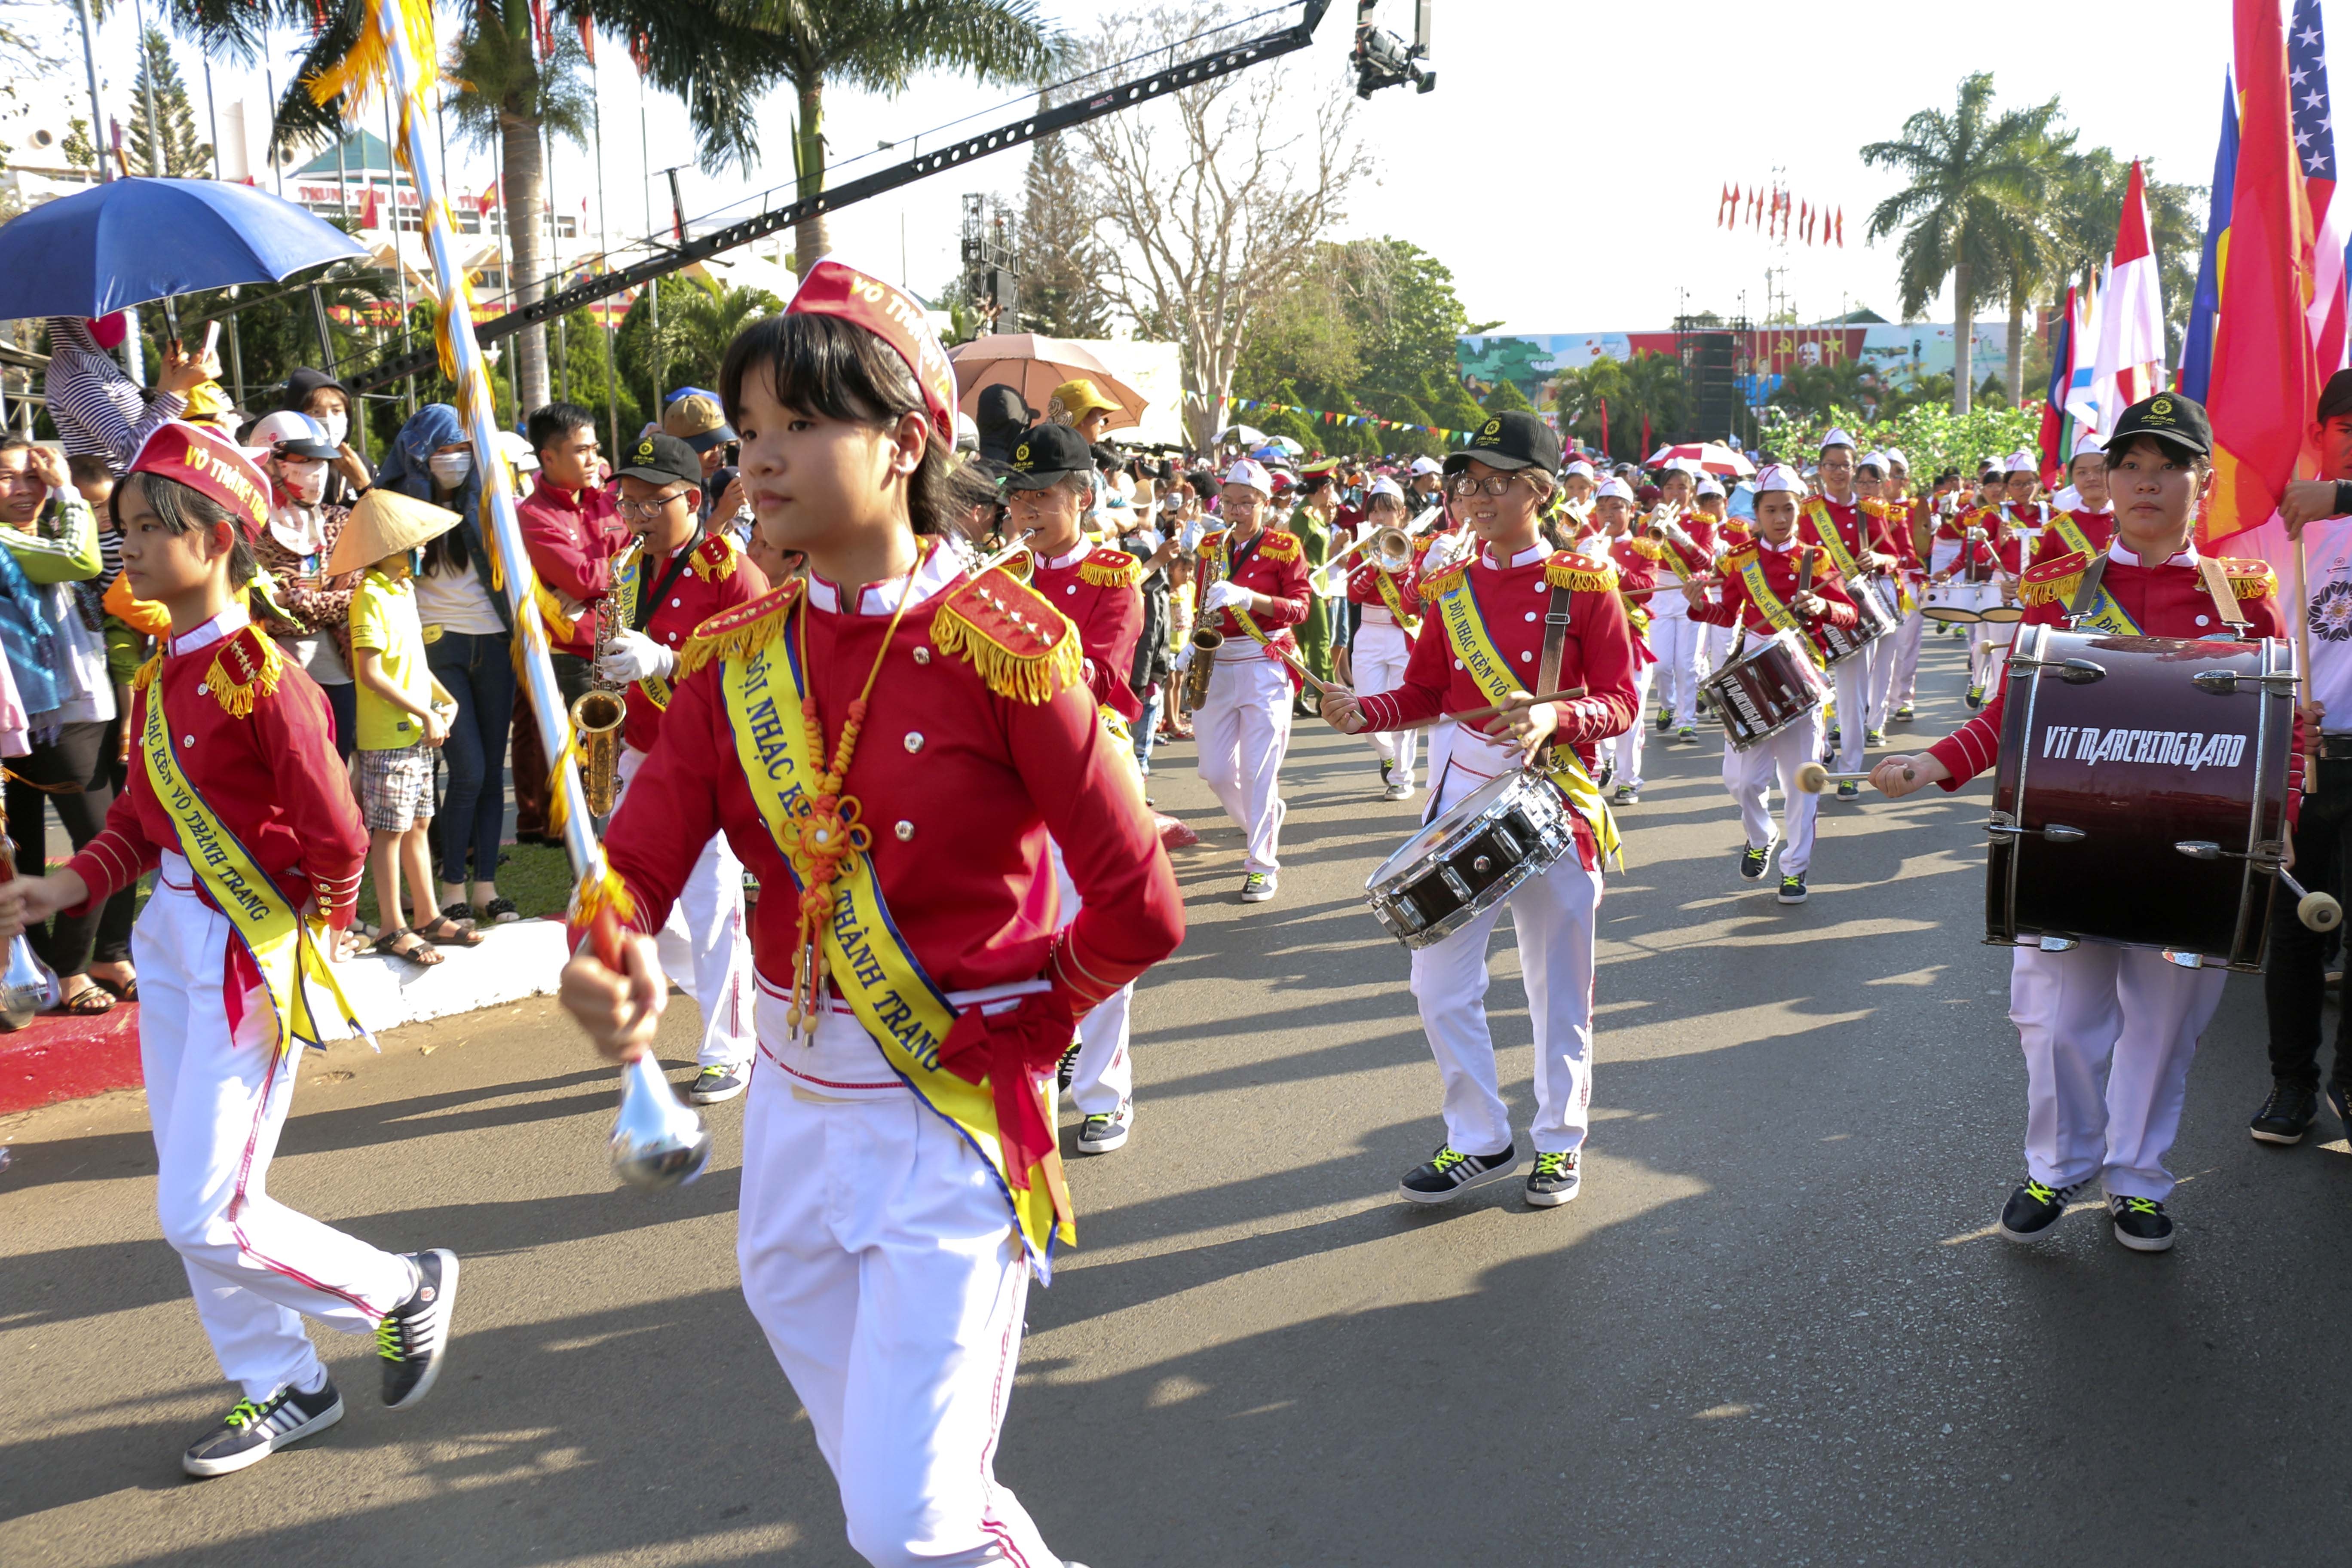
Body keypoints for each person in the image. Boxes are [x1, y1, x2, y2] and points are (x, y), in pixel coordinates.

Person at [557, 260, 1180, 1568]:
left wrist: (1034, 1022)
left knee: (907, 1524)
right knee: (909, 1506)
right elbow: (642, 858)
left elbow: (1140, 906)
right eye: (749, 433)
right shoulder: (738, 660)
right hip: (788, 1117)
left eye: (797, 426)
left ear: (904, 442)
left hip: (948, 1119)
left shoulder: (1002, 644)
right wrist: (603, 945)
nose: (758, 462)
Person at [0, 420, 459, 1476]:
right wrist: (64, 883)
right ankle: (281, 1382)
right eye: (126, 530)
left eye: (153, 529)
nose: (135, 548)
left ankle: (398, 1288)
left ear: (217, 537)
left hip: (245, 952)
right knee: (199, 1195)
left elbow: (341, 835)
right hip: (169, 937)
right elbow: (139, 827)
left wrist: (320, 938)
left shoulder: (266, 678)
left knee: (203, 1210)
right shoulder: (165, 676)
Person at [1873, 392, 2291, 1252]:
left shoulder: (2244, 601)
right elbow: (2007, 716)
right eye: (2131, 467)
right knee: (2057, 1022)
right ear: (2111, 481)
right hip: (2070, 844)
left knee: (2166, 1023)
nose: (2146, 484)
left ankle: (2138, 1177)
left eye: (2168, 468)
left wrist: (2276, 815)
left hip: (2194, 853)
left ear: (2200, 484)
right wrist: (1934, 762)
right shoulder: (2062, 595)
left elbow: (2282, 732)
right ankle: (2060, 1167)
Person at [1319, 410, 1638, 1207]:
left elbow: (1623, 700)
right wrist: (1367, 711)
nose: (1474, 496)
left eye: (1494, 482)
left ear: (1535, 490)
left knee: (1556, 983)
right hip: (1464, 790)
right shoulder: (1448, 584)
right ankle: (1479, 1135)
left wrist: (1554, 716)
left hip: (1554, 795)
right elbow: (1428, 691)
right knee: (1437, 982)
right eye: (1468, 481)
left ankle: (1559, 1139)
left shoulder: (1583, 583)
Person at [594, 428, 765, 1104]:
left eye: (648, 504)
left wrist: (665, 662)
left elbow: (751, 673)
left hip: (713, 758)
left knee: (713, 903)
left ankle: (730, 1048)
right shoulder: (630, 569)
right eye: (627, 505)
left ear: (691, 499)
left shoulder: (732, 570)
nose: (634, 519)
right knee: (638, 903)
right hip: (641, 749)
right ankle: (738, 996)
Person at [1003, 421, 1149, 1155]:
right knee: (1019, 932)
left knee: (1094, 932)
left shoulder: (1112, 574)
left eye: (1044, 497)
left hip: (1088, 762)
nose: (1026, 512)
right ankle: (1030, 1079)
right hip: (1009, 773)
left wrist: (1029, 622)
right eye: (1019, 497)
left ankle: (1102, 1093)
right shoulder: (998, 574)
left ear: (1082, 498)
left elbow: (1108, 676)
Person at [1686, 464, 1860, 905]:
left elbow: (1850, 614)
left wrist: (1823, 604)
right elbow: (1727, 615)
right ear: (1757, 513)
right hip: (1753, 674)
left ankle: (1795, 869)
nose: (1780, 519)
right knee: (1740, 781)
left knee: (1802, 781)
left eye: (1788, 509)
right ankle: (1761, 834)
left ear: (1799, 510)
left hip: (1803, 672)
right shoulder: (1741, 560)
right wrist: (1698, 605)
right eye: (1771, 510)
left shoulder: (1817, 559)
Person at [0, 436, 131, 1011]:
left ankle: (96, 956)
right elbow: (83, 561)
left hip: (79, 708)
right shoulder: (8, 541)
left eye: (34, 475)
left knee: (51, 843)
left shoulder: (40, 537)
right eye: (9, 477)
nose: (25, 487)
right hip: (39, 718)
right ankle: (70, 969)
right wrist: (70, 493)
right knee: (99, 838)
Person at [2256, 370, 2352, 1145]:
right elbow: (2251, 636)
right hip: (2311, 759)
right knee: (2298, 923)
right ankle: (2291, 1083)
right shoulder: (2281, 525)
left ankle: (2349, 1086)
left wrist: (2342, 498)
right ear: (2318, 433)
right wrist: (2286, 708)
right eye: (2346, 428)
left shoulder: (2332, 507)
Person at [379, 406, 518, 925]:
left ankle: (486, 887)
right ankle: (450, 887)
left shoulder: (488, 500)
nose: (455, 460)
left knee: (485, 780)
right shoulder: (396, 505)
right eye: (444, 450)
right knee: (469, 769)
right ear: (419, 454)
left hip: (495, 640)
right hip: (437, 647)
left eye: (464, 449)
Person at [331, 488, 478, 964]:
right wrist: (423, 712)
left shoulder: (402, 590)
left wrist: (441, 700)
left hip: (416, 730)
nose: (419, 549)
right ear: (387, 548)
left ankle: (428, 916)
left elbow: (412, 660)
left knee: (418, 822)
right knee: (389, 830)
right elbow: (370, 672)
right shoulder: (370, 596)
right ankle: (393, 925)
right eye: (410, 543)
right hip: (389, 735)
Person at [1185, 457, 1309, 902]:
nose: (1234, 511)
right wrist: (1189, 645)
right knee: (1215, 770)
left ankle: (1261, 865)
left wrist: (1250, 598)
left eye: (1244, 504)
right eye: (1229, 502)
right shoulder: (1211, 547)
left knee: (1258, 772)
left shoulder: (1285, 547)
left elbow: (1301, 609)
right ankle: (1264, 817)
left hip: (1264, 661)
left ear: (1264, 503)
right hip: (1218, 661)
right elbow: (1203, 602)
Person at [510, 402, 625, 856]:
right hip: (573, 652)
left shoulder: (608, 500)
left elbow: (636, 556)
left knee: (617, 752)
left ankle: (611, 840)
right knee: (588, 754)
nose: (593, 458)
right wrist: (609, 572)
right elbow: (579, 577)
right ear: (548, 457)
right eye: (581, 450)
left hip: (618, 642)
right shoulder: (533, 515)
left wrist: (601, 574)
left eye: (596, 448)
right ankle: (588, 847)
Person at [245, 411, 361, 757]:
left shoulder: (340, 520)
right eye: (303, 459)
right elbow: (252, 601)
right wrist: (315, 602)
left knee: (337, 766)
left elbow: (355, 597)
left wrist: (293, 599)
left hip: (338, 668)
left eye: (321, 460)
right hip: (274, 671)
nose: (316, 470)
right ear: (269, 461)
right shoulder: (249, 530)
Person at [1799, 429, 1896, 796]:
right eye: (1831, 465)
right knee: (1813, 688)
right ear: (1821, 469)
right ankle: (1820, 750)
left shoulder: (1869, 511)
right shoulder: (1807, 511)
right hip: (1814, 612)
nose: (1838, 472)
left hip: (1853, 611)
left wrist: (1880, 558)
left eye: (1845, 466)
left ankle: (1850, 769)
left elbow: (1894, 556)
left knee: (1853, 696)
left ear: (1855, 469)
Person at [1335, 477, 1424, 799]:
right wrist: (1375, 563)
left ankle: (1402, 778)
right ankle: (1387, 754)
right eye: (1373, 511)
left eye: (1386, 511)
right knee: (1365, 711)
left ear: (1401, 514)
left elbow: (1412, 600)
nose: (1378, 518)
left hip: (1404, 635)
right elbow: (1354, 594)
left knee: (1405, 709)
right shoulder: (1362, 550)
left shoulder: (1416, 548)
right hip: (1370, 635)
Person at [43, 315, 214, 473]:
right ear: (70, 317)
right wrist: (179, 389)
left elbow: (141, 426)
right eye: (100, 311)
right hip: (115, 498)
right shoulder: (77, 375)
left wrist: (166, 383)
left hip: (133, 490)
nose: (114, 315)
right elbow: (132, 450)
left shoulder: (92, 359)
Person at [1642, 461, 1719, 745]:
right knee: (1661, 665)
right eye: (1670, 487)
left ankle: (1687, 722)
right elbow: (1643, 559)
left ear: (1693, 490)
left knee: (1687, 664)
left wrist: (1682, 537)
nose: (1676, 494)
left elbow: (1708, 562)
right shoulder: (1647, 520)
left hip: (1691, 592)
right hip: (1660, 593)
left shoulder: (1704, 523)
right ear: (1662, 491)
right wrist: (1650, 531)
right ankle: (1667, 705)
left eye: (1682, 488)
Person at [281, 368, 374, 500]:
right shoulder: (283, 466)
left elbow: (384, 517)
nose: (328, 420)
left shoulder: (361, 464)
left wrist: (365, 486)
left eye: (336, 411)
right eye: (315, 412)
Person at [663, 389, 743, 526]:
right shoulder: (665, 492)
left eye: (721, 445)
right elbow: (689, 547)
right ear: (679, 447)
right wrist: (721, 515)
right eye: (707, 447)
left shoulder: (700, 482)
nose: (717, 456)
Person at [1048, 377, 1120, 445]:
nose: (1102, 424)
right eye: (1099, 416)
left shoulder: (1048, 450)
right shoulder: (1071, 456)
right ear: (1082, 418)